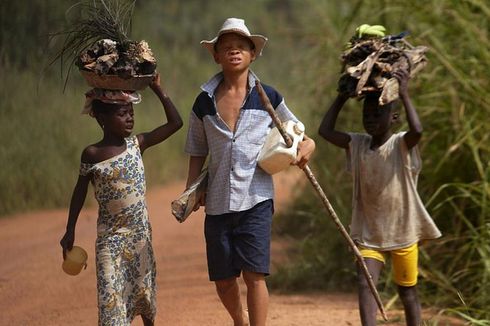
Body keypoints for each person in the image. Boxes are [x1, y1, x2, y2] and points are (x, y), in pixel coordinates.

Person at [184, 18, 315, 326]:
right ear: (216, 55)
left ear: (253, 54)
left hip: (257, 197)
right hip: (217, 201)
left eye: (241, 47)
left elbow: (300, 134)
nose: (234, 51)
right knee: (224, 279)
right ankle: (239, 320)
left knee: (255, 274)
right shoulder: (203, 102)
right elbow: (197, 149)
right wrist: (192, 190)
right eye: (226, 47)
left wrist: (308, 147)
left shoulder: (268, 97)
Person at [318, 69, 441, 326]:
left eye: (378, 114)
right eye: (367, 115)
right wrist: (342, 96)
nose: (371, 119)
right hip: (369, 232)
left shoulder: (400, 144)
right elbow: (325, 131)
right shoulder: (358, 144)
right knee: (365, 282)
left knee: (407, 292)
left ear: (394, 118)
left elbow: (417, 130)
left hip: (403, 231)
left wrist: (404, 93)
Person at [59, 74, 183, 326]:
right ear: (102, 118)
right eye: (122, 113)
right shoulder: (92, 154)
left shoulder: (138, 144)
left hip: (139, 238)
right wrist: (70, 228)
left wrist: (159, 88)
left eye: (130, 111)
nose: (130, 117)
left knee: (145, 298)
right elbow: (79, 190)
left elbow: (175, 123)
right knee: (110, 301)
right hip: (110, 241)